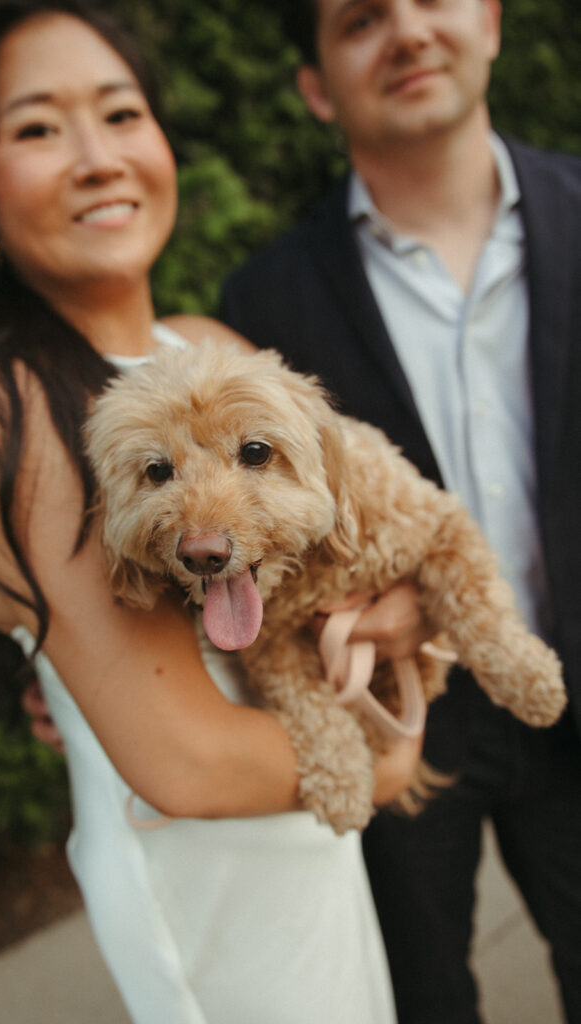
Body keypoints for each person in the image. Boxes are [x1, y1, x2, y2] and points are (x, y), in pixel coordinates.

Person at [0, 1, 430, 1020]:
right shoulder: (10, 401)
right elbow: (183, 760)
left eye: (119, 112)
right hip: (216, 894)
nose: (97, 157)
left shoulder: (204, 346)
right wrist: (395, 750)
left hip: (304, 843)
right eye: (37, 128)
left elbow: (356, 539)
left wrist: (399, 608)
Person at [219, 2, 581, 1023]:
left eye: (433, 0)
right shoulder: (260, 301)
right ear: (314, 84)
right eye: (361, 19)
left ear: (493, 21)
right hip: (387, 715)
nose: (408, 32)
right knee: (419, 997)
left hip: (564, 677)